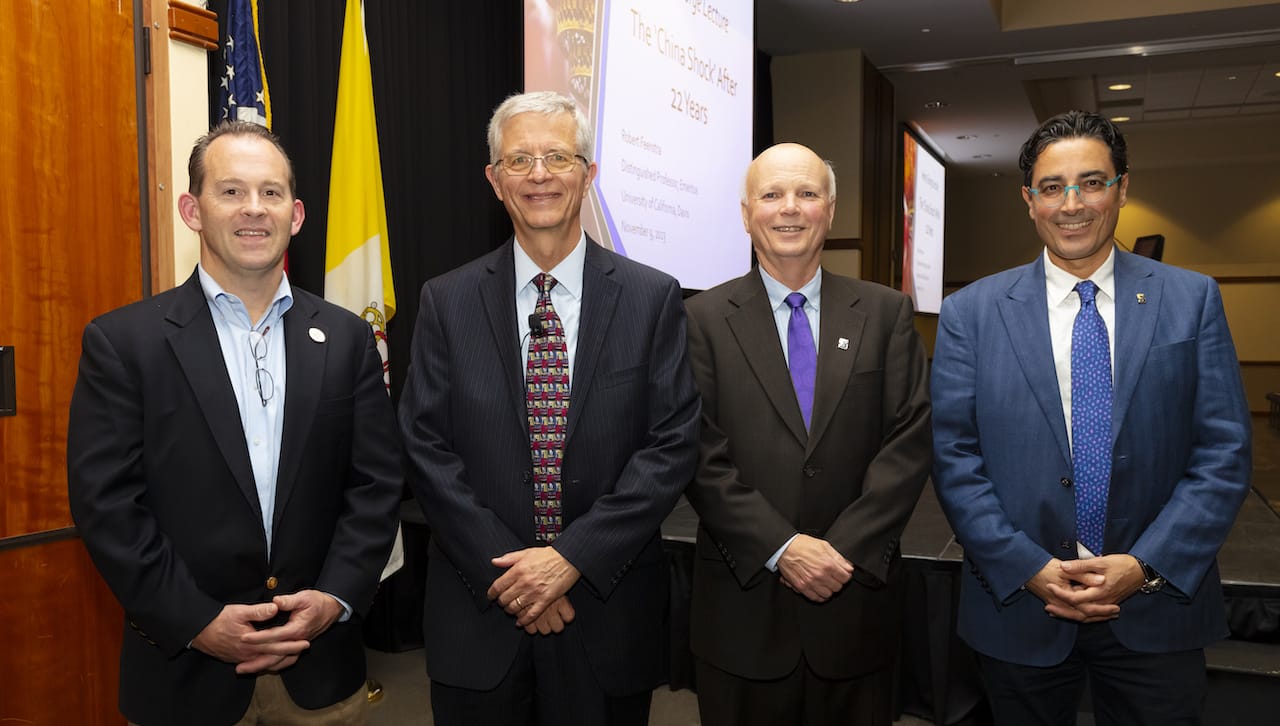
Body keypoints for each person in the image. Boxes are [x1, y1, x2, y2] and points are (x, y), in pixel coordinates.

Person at [67, 121, 403, 726]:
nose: (255, 209)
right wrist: (194, 620)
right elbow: (108, 507)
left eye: (271, 193)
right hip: (184, 680)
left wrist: (335, 598)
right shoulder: (124, 343)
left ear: (296, 214)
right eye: (231, 191)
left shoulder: (348, 339)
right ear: (192, 209)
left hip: (321, 670)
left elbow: (375, 487)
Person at [931, 110, 1252, 724]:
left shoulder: (1192, 299)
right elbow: (954, 459)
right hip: (1020, 609)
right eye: (1052, 187)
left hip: (1157, 609)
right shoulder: (969, 313)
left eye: (1092, 182)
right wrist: (1028, 567)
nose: (1071, 203)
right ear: (1029, 200)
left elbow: (1224, 452)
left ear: (1122, 189)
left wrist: (1144, 566)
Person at [397, 90, 699, 725]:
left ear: (589, 174)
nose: (538, 174)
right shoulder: (445, 301)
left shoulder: (652, 298)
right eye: (519, 160)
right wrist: (515, 577)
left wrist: (570, 559)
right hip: (479, 613)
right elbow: (425, 447)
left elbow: (670, 445)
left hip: (606, 609)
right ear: (494, 180)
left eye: (557, 156)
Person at [683, 142, 932, 726]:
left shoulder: (888, 312)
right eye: (770, 195)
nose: (788, 209)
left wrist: (840, 550)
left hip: (856, 607)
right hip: (742, 613)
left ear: (831, 210)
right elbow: (697, 452)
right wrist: (782, 547)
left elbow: (909, 440)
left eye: (807, 194)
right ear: (746, 213)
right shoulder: (699, 320)